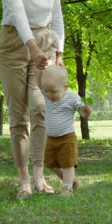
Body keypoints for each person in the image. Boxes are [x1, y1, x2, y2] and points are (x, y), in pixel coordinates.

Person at [0, 0, 65, 199]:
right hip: (13, 43)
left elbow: (56, 15)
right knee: (19, 117)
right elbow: (17, 15)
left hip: (44, 41)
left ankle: (39, 176)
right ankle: (24, 180)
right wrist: (31, 46)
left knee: (41, 107)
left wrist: (59, 51)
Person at [37, 65, 92, 196]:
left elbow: (83, 113)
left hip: (67, 137)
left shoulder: (72, 98)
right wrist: (38, 66)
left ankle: (67, 188)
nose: (49, 95)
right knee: (50, 163)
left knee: (68, 164)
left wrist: (87, 111)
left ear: (65, 87)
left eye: (53, 91)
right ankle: (71, 181)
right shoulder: (46, 94)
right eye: (46, 91)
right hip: (51, 138)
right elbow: (38, 81)